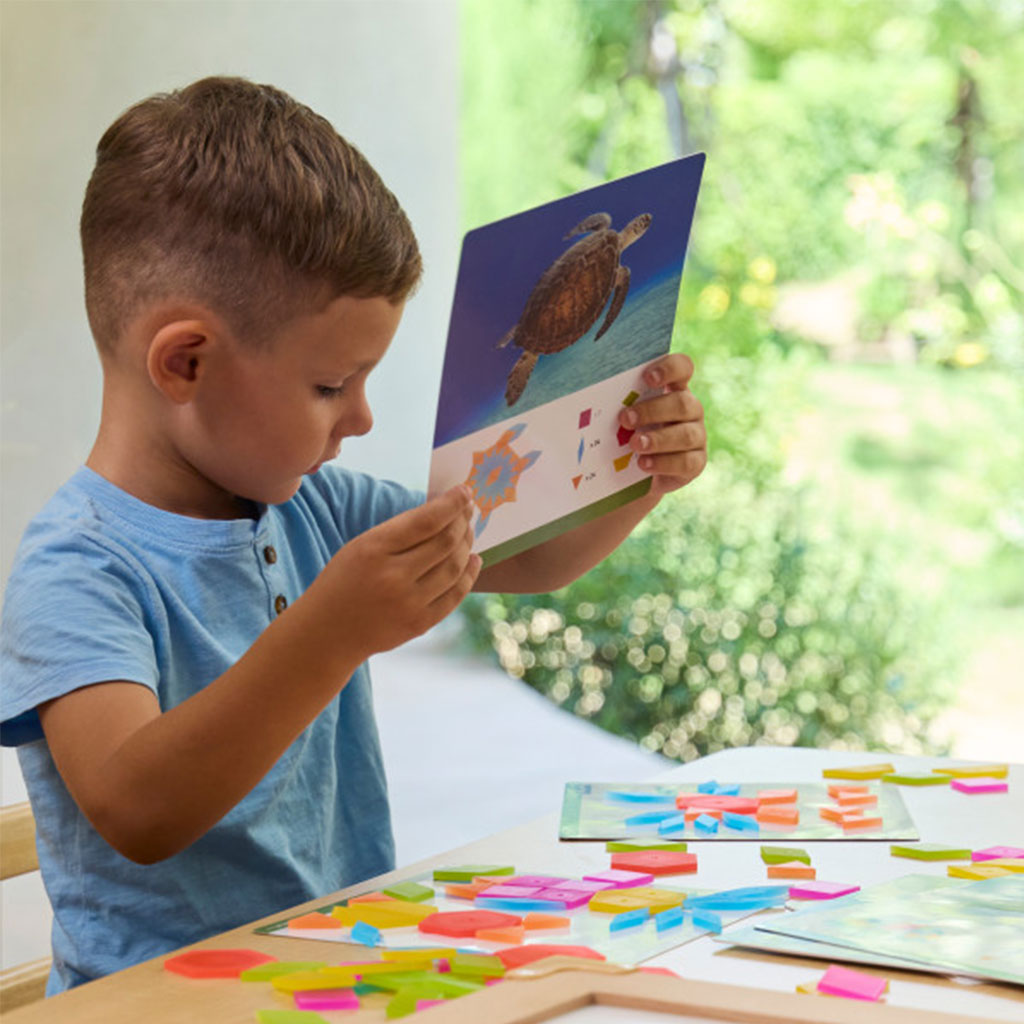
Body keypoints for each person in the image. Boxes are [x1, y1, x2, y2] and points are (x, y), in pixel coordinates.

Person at [0, 76, 707, 994]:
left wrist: (636, 470)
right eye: (332, 385)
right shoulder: (79, 564)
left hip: (338, 981)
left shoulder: (316, 510)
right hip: (160, 1005)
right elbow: (138, 807)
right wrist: (331, 631)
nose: (363, 418)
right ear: (186, 362)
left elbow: (530, 556)